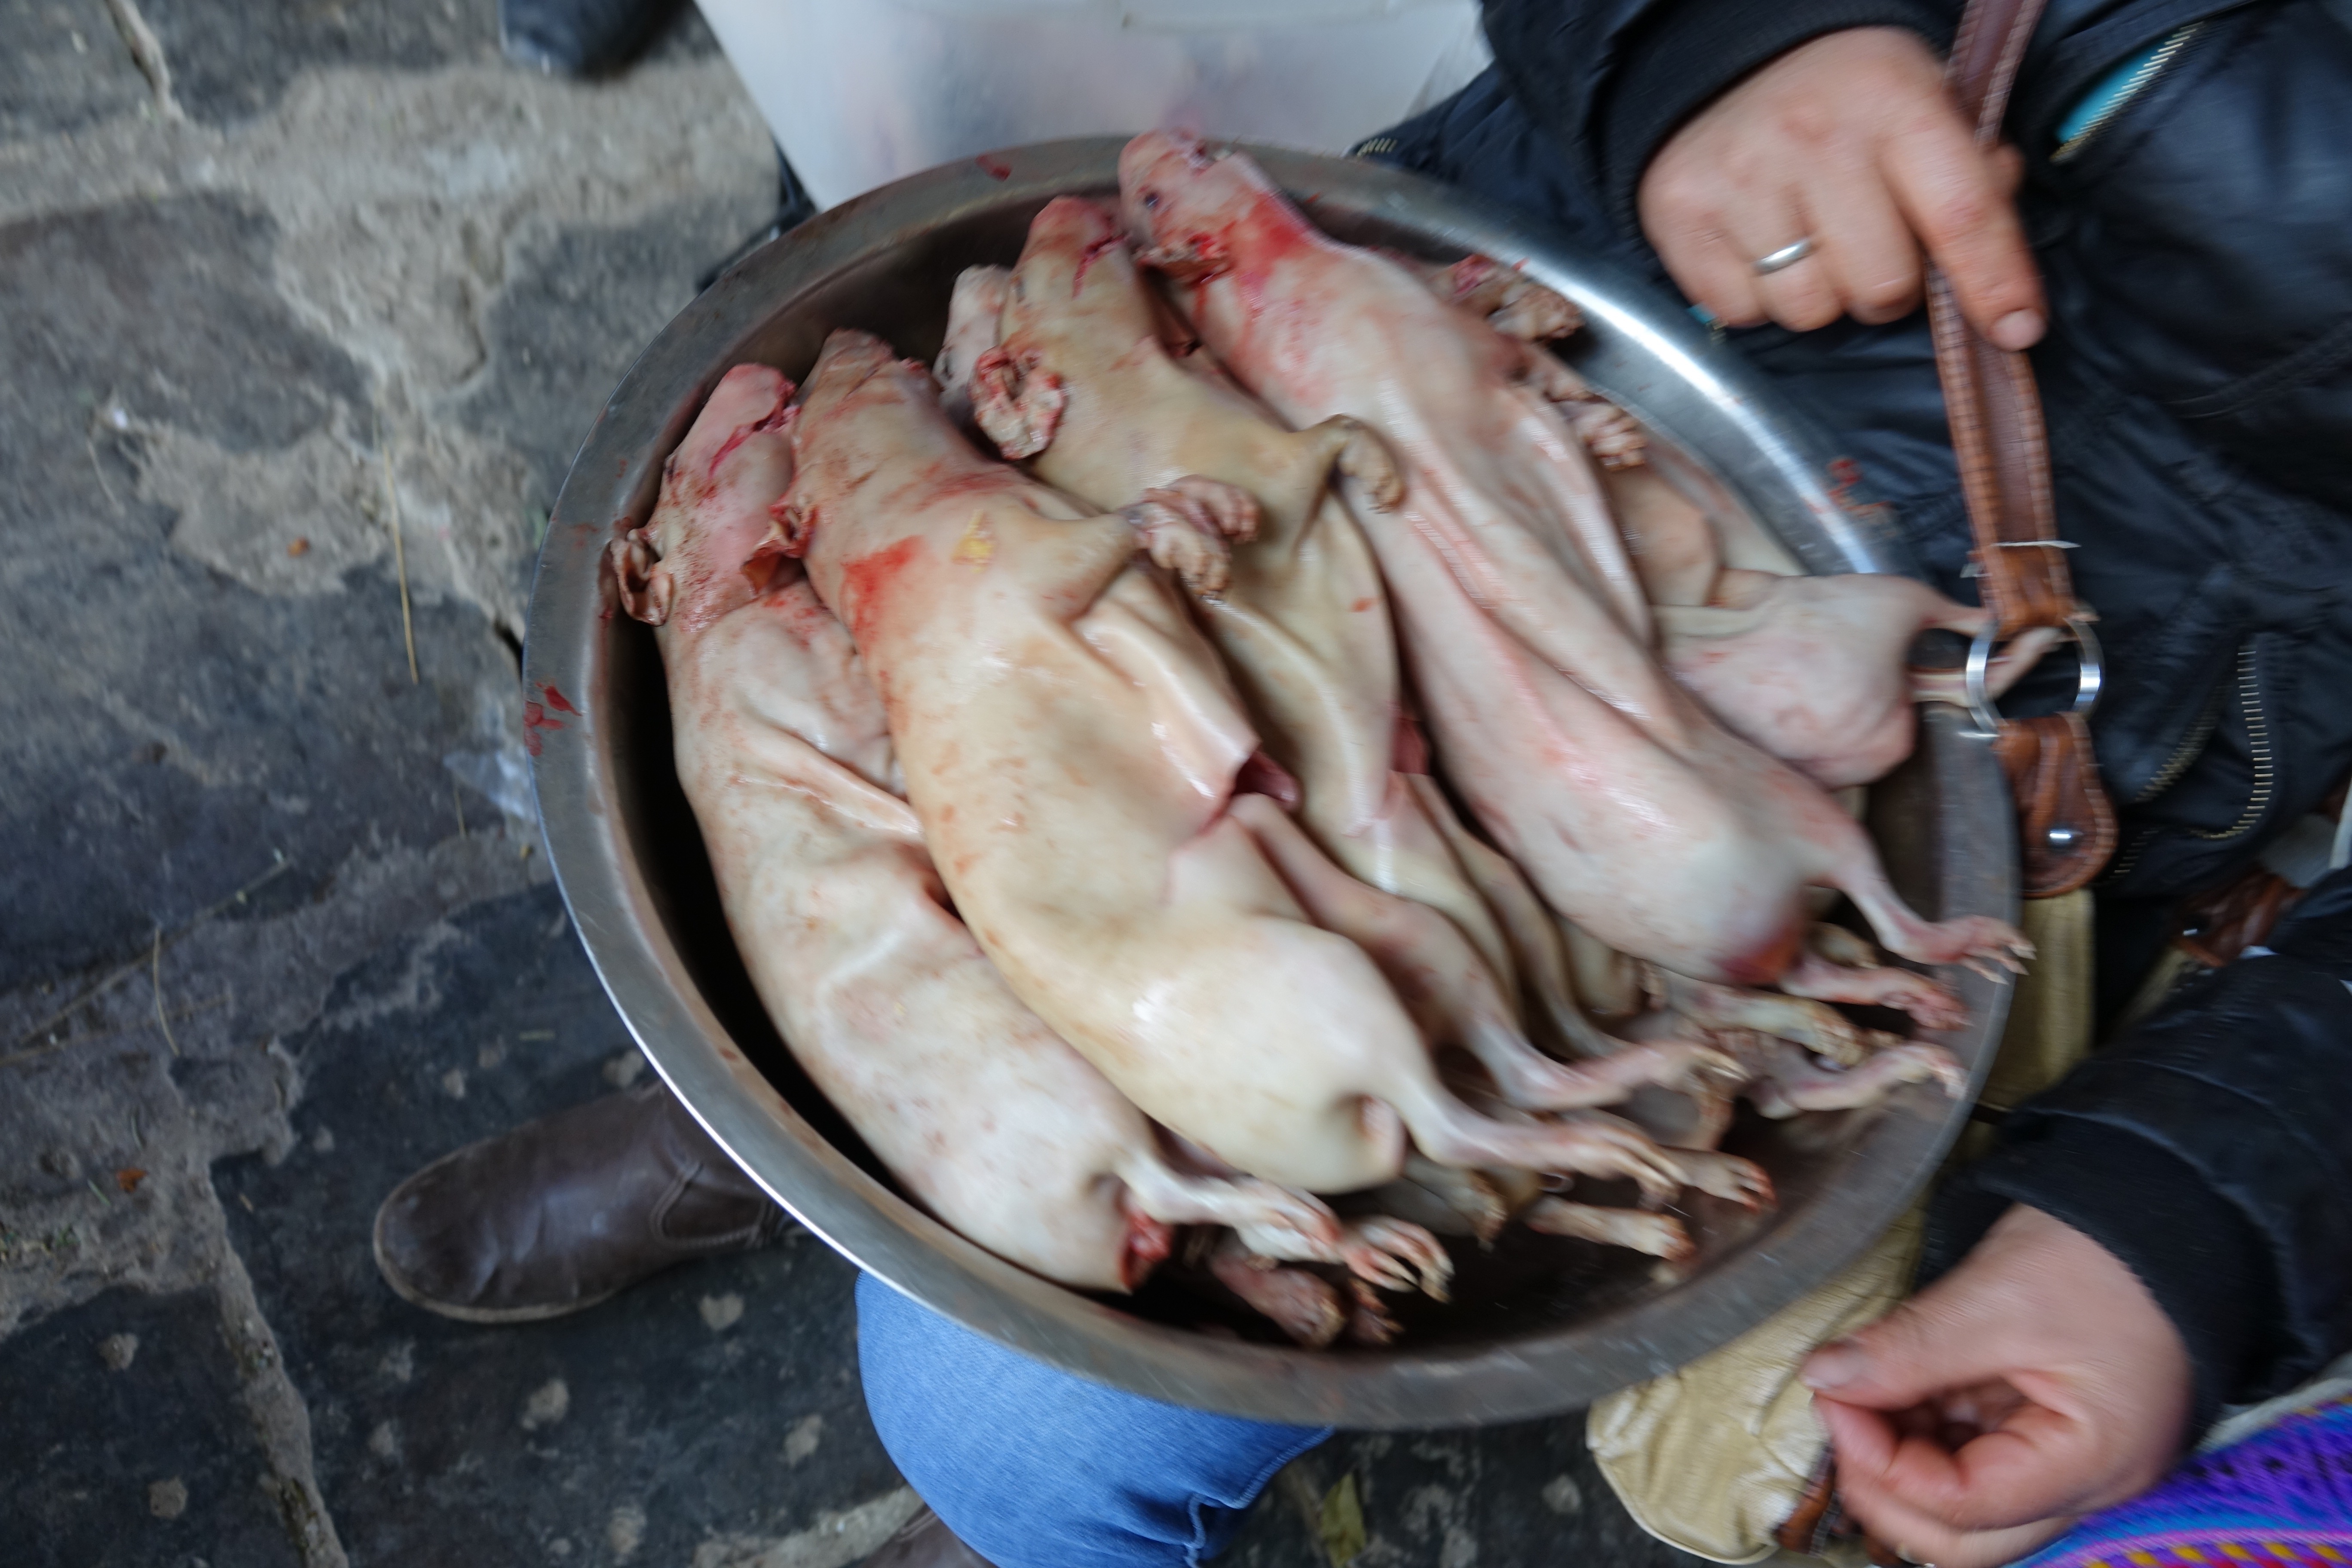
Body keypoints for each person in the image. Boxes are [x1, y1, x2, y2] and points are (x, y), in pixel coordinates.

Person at [377, 1, 2352, 1563]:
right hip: (1486, 305)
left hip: (2032, 739)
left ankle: (1018, 1505)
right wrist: (1728, 33)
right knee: (872, 859)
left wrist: (2191, 1217)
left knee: (1022, 1417)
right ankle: (752, 1116)